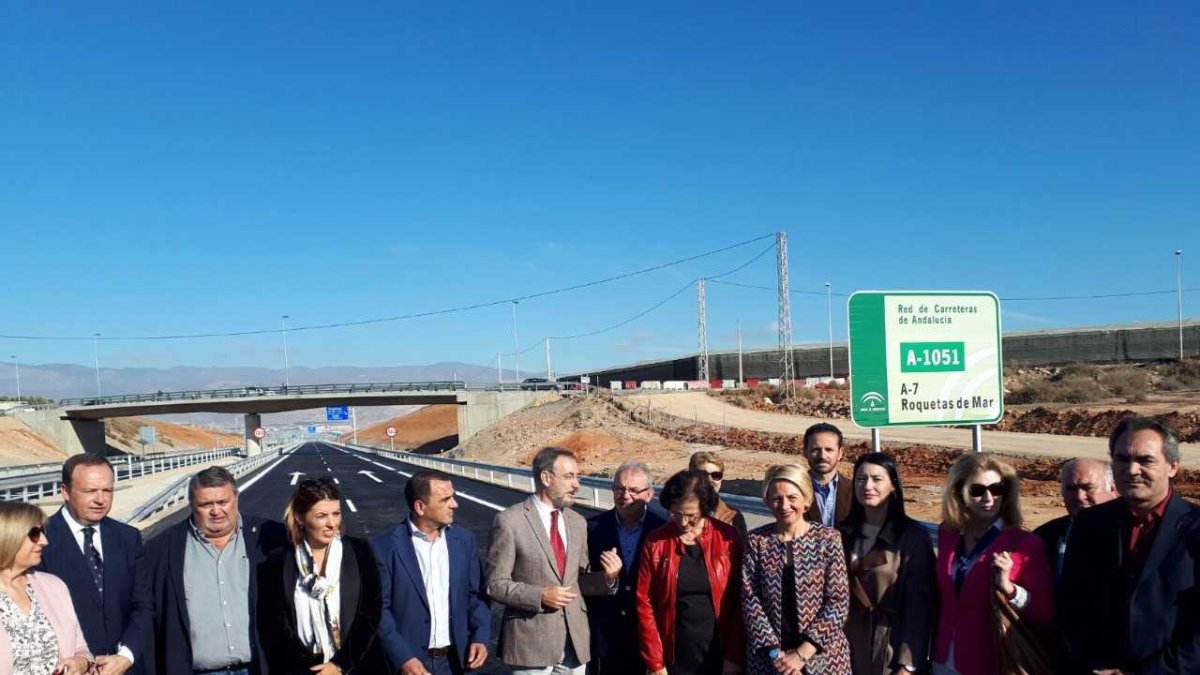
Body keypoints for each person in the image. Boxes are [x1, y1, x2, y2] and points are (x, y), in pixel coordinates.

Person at [1059, 417, 1200, 674]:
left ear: (1172, 467)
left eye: (1145, 460)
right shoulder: (1090, 524)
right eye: (1122, 459)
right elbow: (1073, 605)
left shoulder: (1195, 529)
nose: (1132, 470)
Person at [486, 447, 623, 675]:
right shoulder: (509, 521)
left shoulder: (578, 522)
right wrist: (539, 595)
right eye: (569, 477)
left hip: (575, 643)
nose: (576, 485)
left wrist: (608, 578)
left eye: (577, 477)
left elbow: (578, 581)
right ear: (546, 478)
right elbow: (495, 584)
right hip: (530, 644)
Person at [147, 465, 287, 675]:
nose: (216, 511)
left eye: (223, 502)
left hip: (260, 669)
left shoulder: (271, 537)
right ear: (192, 504)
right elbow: (147, 614)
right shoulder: (162, 549)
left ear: (236, 498)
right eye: (206, 504)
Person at [931, 453, 1053, 675]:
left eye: (997, 489)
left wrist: (1010, 589)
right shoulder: (948, 534)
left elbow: (1045, 613)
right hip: (943, 659)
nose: (989, 498)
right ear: (959, 492)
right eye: (977, 490)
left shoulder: (1025, 544)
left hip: (991, 662)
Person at [38, 453, 152, 675]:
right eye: (90, 491)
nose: (101, 499)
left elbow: (143, 604)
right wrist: (81, 662)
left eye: (107, 490)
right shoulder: (39, 541)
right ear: (65, 492)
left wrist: (126, 656)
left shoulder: (128, 538)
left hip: (126, 668)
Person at [257, 477, 385, 674]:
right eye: (321, 516)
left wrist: (340, 664)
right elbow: (275, 624)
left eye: (336, 513)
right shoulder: (278, 562)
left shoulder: (360, 552)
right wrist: (310, 668)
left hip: (356, 668)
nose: (332, 523)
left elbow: (370, 613)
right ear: (300, 518)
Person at [372, 470, 490, 675]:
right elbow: (379, 610)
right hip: (410, 665)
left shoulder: (464, 540)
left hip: (458, 662)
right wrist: (403, 658)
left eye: (453, 497)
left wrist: (480, 636)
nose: (454, 504)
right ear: (420, 506)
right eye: (445, 499)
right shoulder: (383, 546)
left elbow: (476, 595)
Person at [743, 463, 851, 675]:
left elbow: (838, 602)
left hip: (823, 659)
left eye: (792, 497)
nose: (784, 505)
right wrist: (777, 657)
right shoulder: (757, 541)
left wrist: (802, 654)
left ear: (806, 499)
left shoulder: (828, 539)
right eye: (776, 498)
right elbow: (750, 600)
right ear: (767, 500)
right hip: (770, 661)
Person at [635, 469, 744, 675]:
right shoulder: (656, 542)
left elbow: (742, 601)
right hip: (675, 655)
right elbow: (645, 603)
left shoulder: (728, 538)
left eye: (691, 516)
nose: (684, 523)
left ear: (705, 507)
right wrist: (655, 662)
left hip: (721, 654)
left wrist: (734, 656)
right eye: (676, 514)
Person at [838, 452, 936, 675]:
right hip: (845, 645)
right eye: (861, 479)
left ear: (893, 485)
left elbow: (920, 608)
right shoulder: (841, 533)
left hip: (890, 647)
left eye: (877, 479)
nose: (867, 486)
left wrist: (908, 665)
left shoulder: (912, 537)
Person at [585, 460, 666, 675]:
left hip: (649, 638)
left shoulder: (663, 530)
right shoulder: (592, 528)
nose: (625, 495)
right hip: (606, 638)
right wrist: (607, 579)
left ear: (649, 494)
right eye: (619, 489)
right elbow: (580, 581)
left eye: (633, 490)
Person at [0, 502, 92, 675]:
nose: (44, 541)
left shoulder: (54, 586)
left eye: (43, 532)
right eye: (35, 534)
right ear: (8, 537)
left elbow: (81, 648)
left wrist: (81, 663)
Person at [1032, 457, 1117, 584]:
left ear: (1112, 489)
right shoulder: (1044, 537)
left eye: (1088, 487)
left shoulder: (1131, 535)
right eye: (1070, 488)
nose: (1079, 496)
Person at [803, 423, 852, 527]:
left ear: (840, 453)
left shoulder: (855, 491)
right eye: (815, 450)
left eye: (829, 450)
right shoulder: (795, 489)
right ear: (805, 452)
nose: (822, 456)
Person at [688, 452, 747, 536]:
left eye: (716, 475)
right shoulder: (677, 515)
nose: (710, 480)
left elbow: (742, 544)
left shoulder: (734, 516)